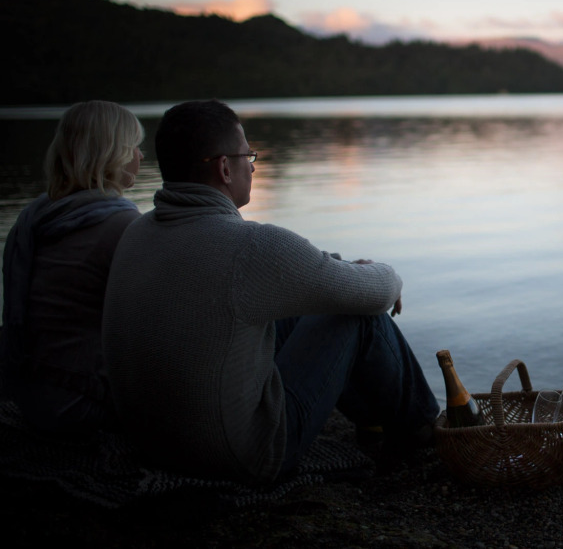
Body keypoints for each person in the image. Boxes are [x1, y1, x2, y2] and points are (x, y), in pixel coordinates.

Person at [102, 99, 439, 484]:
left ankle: (374, 419)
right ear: (225, 168)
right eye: (248, 156)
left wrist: (343, 270)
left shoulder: (136, 232)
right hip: (241, 456)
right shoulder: (249, 247)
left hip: (151, 445)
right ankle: (424, 427)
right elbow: (378, 292)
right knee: (355, 317)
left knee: (304, 302)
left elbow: (299, 274)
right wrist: (383, 274)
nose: (252, 166)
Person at [1, 101, 144, 437]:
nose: (140, 156)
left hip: (30, 393)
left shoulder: (34, 218)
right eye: (134, 146)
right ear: (111, 153)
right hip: (82, 403)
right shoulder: (121, 225)